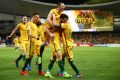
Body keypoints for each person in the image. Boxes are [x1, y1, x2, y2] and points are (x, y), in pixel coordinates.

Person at [44, 2, 71, 78]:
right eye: (62, 6)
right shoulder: (53, 11)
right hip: (54, 37)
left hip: (57, 37)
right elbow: (47, 23)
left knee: (54, 57)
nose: (63, 7)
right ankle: (64, 72)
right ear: (58, 6)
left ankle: (47, 72)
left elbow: (61, 27)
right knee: (59, 55)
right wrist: (52, 29)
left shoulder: (61, 17)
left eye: (64, 6)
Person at [58, 14, 82, 78]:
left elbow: (57, 25)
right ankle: (61, 71)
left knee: (70, 60)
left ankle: (78, 73)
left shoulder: (65, 25)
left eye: (61, 19)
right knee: (62, 57)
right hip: (68, 44)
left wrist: (57, 19)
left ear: (64, 19)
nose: (61, 20)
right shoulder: (68, 25)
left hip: (67, 45)